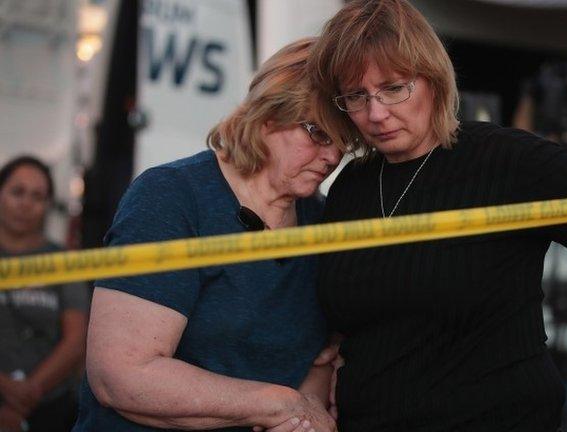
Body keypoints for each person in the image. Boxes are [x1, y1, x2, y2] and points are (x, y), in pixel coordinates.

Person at [307, 1, 567, 431]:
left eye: (394, 87)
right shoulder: (349, 187)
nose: (376, 113)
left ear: (433, 78)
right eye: (356, 96)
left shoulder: (508, 160)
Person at [72, 38, 345, 432]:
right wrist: (277, 404)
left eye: (343, 141)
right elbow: (121, 375)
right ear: (268, 114)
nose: (333, 156)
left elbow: (320, 360)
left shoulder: (321, 221)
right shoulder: (173, 196)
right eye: (318, 133)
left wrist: (304, 413)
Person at [0, 156, 89, 432]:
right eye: (17, 192)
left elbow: (76, 340)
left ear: (48, 205)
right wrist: (6, 388)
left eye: (37, 196)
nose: (26, 204)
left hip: (48, 406)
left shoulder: (63, 261)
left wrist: (24, 397)